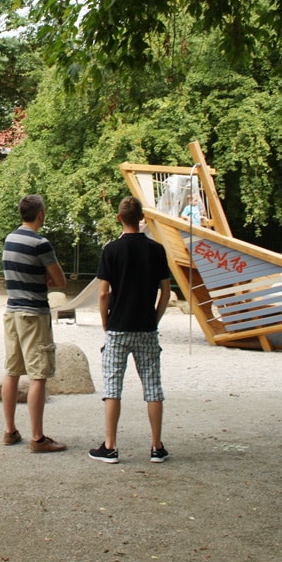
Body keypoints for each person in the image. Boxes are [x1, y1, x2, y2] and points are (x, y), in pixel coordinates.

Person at [88, 196, 172, 464]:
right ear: (141, 219)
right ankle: (156, 446)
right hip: (146, 327)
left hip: (118, 327)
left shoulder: (111, 250)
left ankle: (110, 446)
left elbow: (103, 294)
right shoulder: (156, 250)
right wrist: (155, 318)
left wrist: (105, 321)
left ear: (119, 218)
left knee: (113, 386)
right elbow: (166, 292)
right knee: (153, 386)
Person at [1, 194, 67, 453]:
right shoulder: (41, 243)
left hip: (12, 312)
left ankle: (10, 431)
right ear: (40, 214)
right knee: (38, 374)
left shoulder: (10, 239)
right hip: (34, 314)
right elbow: (59, 280)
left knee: (12, 371)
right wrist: (46, 278)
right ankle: (38, 438)